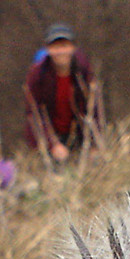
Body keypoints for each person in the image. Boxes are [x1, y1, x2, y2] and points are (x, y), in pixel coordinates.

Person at [24, 24, 101, 163]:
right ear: (48, 49)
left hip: (78, 136)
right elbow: (33, 114)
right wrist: (52, 145)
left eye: (64, 45)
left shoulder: (84, 72)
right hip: (50, 138)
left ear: (73, 48)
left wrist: (94, 144)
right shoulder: (37, 75)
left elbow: (93, 109)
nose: (60, 51)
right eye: (55, 47)